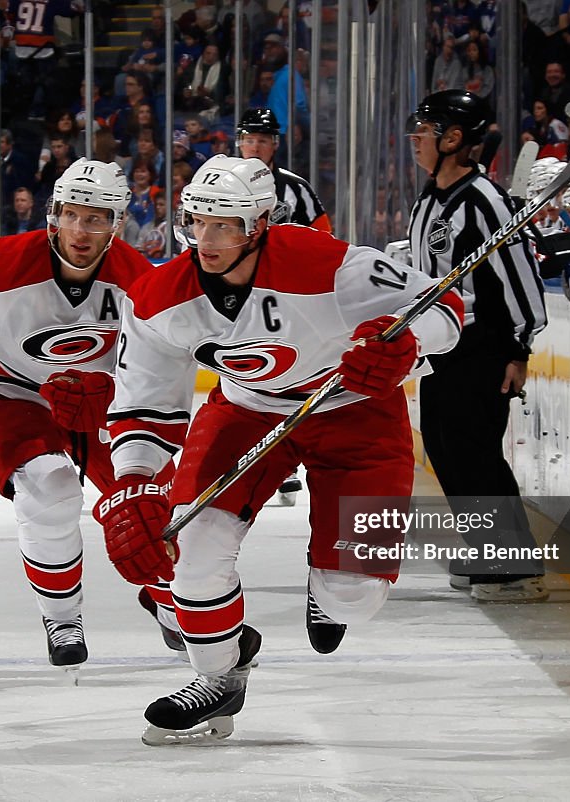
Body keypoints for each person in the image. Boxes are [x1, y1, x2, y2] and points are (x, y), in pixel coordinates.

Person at [93, 154, 463, 743]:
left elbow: (445, 309)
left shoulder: (333, 266)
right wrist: (134, 478)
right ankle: (220, 673)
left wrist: (406, 345)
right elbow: (142, 400)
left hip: (354, 409)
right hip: (245, 409)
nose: (206, 240)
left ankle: (331, 592)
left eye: (225, 225)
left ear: (260, 223)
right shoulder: (159, 297)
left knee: (354, 599)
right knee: (194, 545)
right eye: (197, 222)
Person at [0, 160, 174, 670]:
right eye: (71, 215)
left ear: (118, 224)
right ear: (53, 215)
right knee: (51, 486)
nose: (80, 231)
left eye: (97, 219)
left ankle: (170, 598)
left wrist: (111, 387)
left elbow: (158, 369)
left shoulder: (142, 283)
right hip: (4, 392)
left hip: (97, 401)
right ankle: (63, 616)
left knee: (158, 500)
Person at [404, 90, 549, 601]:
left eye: (425, 130)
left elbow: (518, 274)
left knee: (475, 451)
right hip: (440, 350)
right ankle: (489, 548)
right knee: (444, 447)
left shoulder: (485, 200)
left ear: (454, 138)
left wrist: (518, 348)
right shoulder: (429, 198)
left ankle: (514, 564)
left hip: (483, 347)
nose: (416, 139)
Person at [235, 106, 332, 505]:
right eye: (249, 139)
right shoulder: (220, 184)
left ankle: (287, 461)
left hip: (289, 300)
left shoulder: (295, 189)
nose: (255, 147)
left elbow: (325, 240)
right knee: (244, 380)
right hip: (239, 300)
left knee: (287, 376)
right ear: (240, 142)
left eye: (262, 140)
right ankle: (258, 458)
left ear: (275, 145)